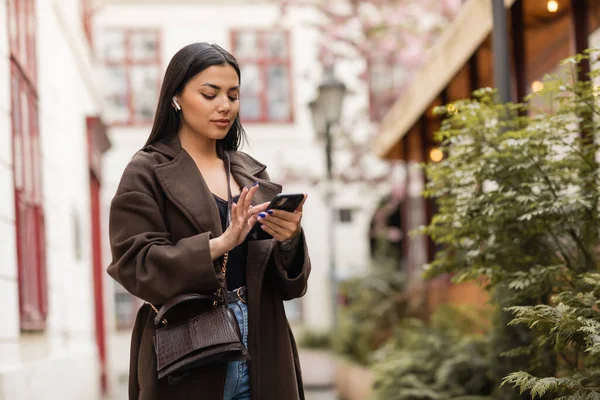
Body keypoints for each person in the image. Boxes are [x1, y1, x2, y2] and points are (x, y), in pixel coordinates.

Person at [107, 42, 311, 400]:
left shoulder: (251, 173)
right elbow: (134, 265)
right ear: (176, 98)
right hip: (189, 352)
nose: (224, 106)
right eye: (209, 93)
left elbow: (290, 286)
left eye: (233, 95)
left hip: (263, 346)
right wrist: (218, 244)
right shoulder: (147, 172)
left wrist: (290, 238)